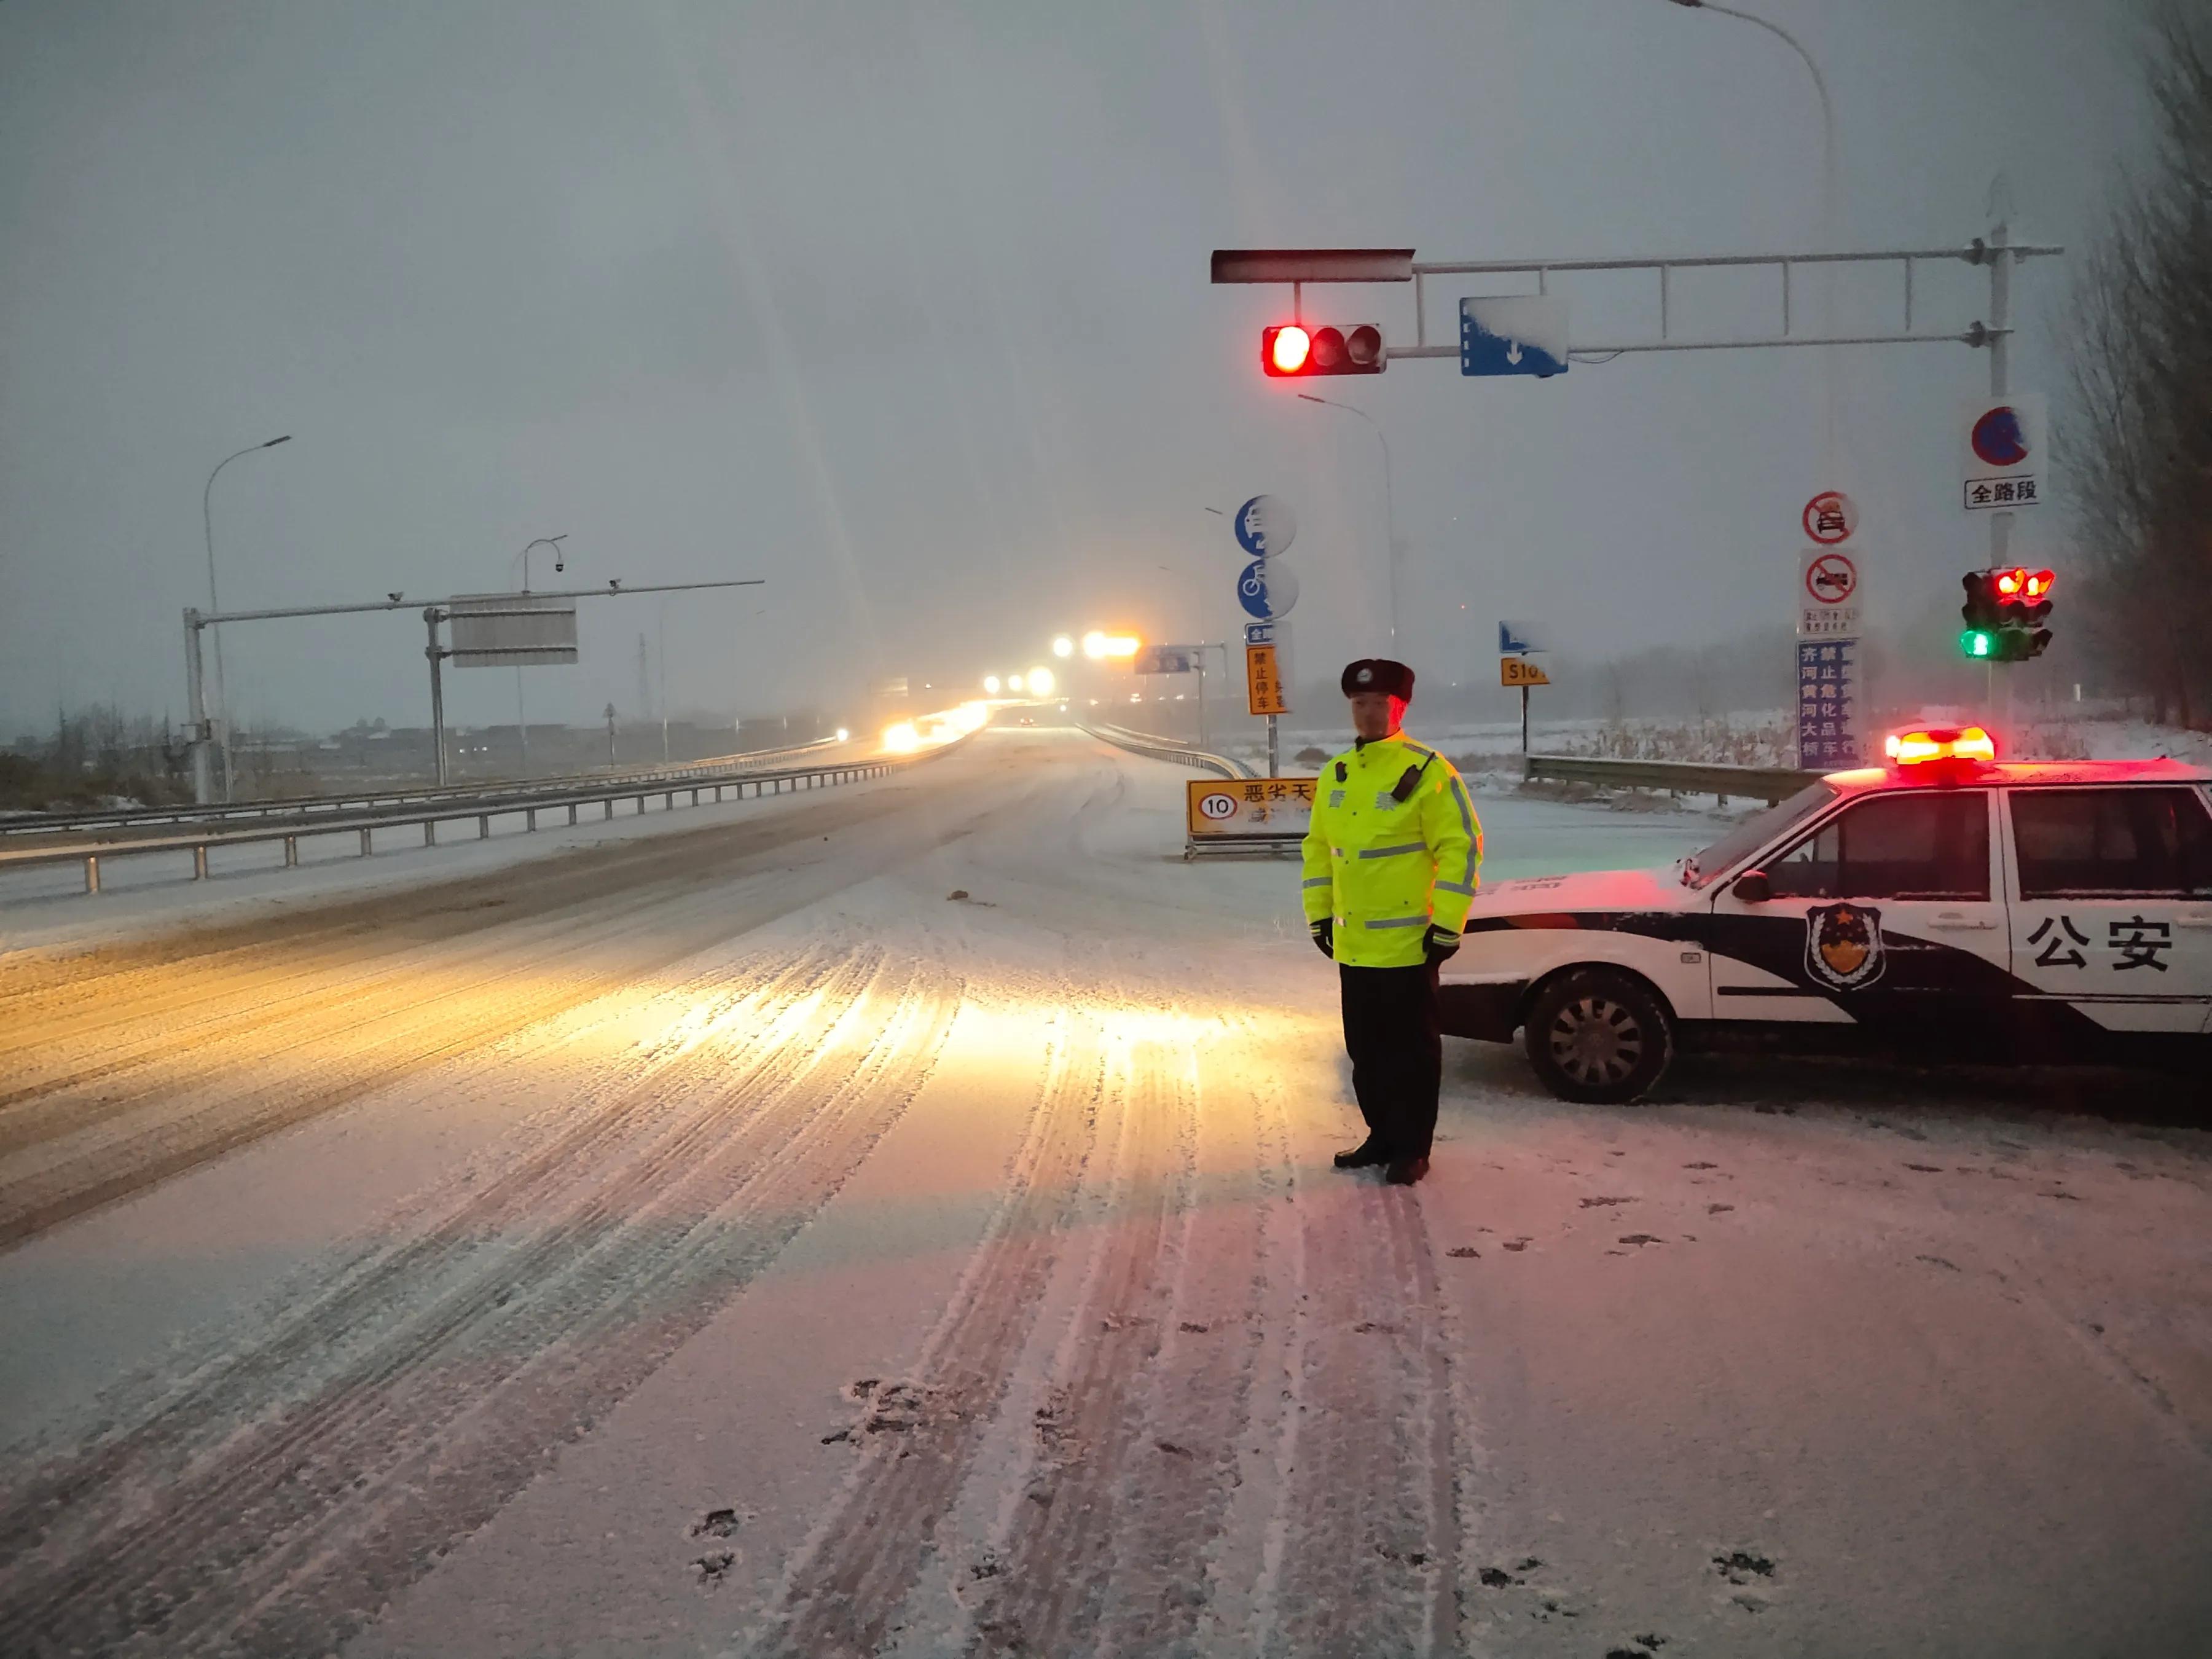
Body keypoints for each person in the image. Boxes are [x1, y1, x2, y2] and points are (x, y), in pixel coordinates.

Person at [1299, 659, 1482, 1185]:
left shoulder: (1427, 772)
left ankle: (1413, 1149)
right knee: (1366, 1054)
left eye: (1380, 704)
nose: (1369, 714)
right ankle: (1381, 1137)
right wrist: (1319, 917)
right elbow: (1317, 852)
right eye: (1360, 705)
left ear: (1399, 708)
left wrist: (1447, 924)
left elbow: (1461, 849)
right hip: (1354, 946)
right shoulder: (1336, 773)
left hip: (1409, 946)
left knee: (1413, 1055)